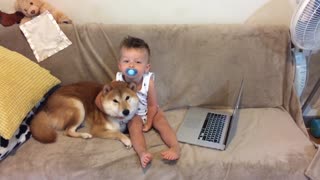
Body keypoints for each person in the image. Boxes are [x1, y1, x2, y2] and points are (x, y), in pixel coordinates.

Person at [116, 36, 180, 168]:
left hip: (150, 111)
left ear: (146, 67)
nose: (131, 65)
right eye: (126, 61)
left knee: (162, 122)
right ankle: (142, 153)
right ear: (120, 65)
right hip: (134, 115)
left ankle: (175, 147)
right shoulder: (118, 81)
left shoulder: (148, 82)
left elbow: (152, 105)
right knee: (134, 128)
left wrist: (150, 121)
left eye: (138, 62)